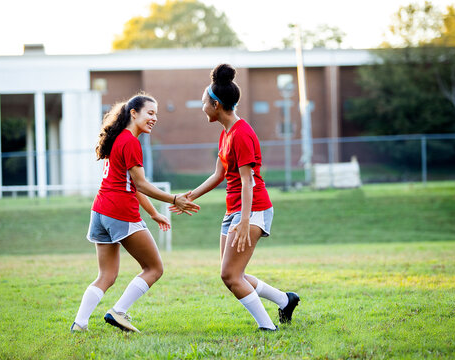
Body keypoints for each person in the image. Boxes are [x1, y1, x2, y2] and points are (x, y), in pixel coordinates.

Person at [172, 64, 300, 331]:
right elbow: (219, 175)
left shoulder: (241, 134)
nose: (202, 107)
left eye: (204, 102)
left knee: (230, 275)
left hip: (252, 209)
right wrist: (189, 196)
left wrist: (244, 221)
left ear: (216, 105)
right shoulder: (226, 133)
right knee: (233, 275)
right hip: (235, 210)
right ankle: (284, 300)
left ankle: (267, 327)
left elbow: (248, 181)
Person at [71, 93, 200, 333]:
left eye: (156, 114)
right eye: (150, 113)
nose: (154, 118)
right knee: (154, 269)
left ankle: (79, 324)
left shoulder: (118, 138)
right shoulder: (130, 142)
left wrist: (153, 213)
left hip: (100, 211)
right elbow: (140, 184)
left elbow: (129, 184)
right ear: (133, 113)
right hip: (119, 211)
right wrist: (174, 200)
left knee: (106, 275)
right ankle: (118, 312)